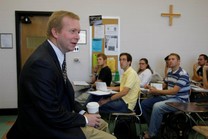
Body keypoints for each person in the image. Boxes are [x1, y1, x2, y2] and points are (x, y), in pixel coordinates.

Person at [7, 11, 116, 139]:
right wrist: (85, 120)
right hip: (43, 128)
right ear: (55, 32)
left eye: (78, 32)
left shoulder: (56, 55)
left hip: (56, 119)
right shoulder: (42, 63)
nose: (77, 36)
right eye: (72, 31)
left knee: (102, 124)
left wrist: (82, 111)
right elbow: (51, 113)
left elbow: (65, 93)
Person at [141, 53, 190, 139]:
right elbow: (164, 85)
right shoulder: (170, 72)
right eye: (169, 59)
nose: (170, 61)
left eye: (173, 59)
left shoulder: (183, 74)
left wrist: (157, 91)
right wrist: (151, 87)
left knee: (157, 106)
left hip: (180, 101)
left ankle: (151, 134)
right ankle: (155, 128)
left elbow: (174, 91)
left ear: (178, 61)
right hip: (170, 97)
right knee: (144, 103)